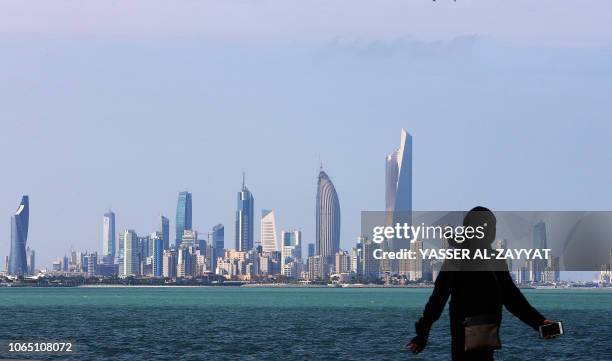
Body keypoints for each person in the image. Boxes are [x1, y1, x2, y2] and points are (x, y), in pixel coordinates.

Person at [408, 207, 556, 361]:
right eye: (487, 226)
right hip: (473, 338)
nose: (491, 230)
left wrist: (539, 323)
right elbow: (513, 300)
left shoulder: (468, 259)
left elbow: (512, 299)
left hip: (477, 338)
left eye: (492, 226)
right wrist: (538, 323)